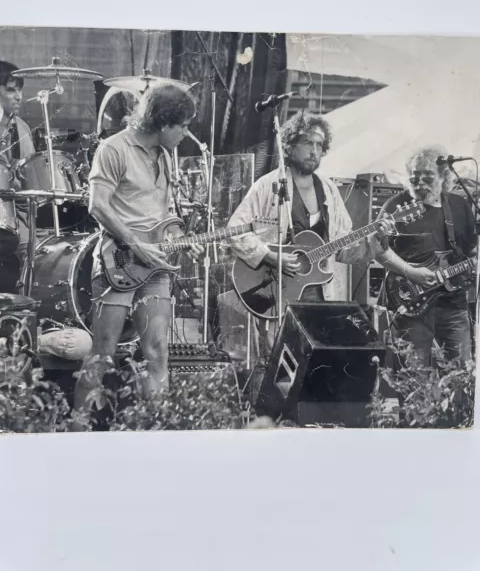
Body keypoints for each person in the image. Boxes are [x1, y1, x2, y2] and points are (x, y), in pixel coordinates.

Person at [227, 110, 386, 406]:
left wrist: (376, 241)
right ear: (289, 145)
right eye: (307, 143)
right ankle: (270, 419)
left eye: (319, 145)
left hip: (320, 296)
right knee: (278, 364)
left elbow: (344, 250)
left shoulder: (328, 191)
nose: (314, 151)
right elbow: (234, 232)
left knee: (317, 363)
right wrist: (271, 256)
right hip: (276, 292)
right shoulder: (267, 186)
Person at [73, 83, 203, 428]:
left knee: (158, 351)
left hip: (155, 268)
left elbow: (163, 216)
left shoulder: (165, 155)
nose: (186, 134)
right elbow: (97, 206)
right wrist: (135, 242)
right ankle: (76, 428)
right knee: (103, 351)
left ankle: (156, 431)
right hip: (120, 262)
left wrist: (180, 237)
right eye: (183, 125)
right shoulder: (113, 148)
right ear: (162, 122)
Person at [375, 145, 476, 368]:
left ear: (444, 177)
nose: (420, 183)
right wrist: (411, 272)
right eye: (415, 177)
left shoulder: (459, 205)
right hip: (410, 302)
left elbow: (471, 250)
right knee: (413, 377)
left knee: (461, 373)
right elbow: (377, 250)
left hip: (452, 303)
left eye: (428, 177)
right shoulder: (395, 206)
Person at [0, 61, 36, 292]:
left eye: (20, 90)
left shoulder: (22, 128)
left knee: (36, 252)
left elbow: (29, 173)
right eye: (11, 89)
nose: (19, 97)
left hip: (14, 216)